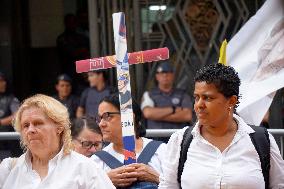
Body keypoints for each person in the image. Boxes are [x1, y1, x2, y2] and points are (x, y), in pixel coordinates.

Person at [158, 64, 284, 189]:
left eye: (208, 98)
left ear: (231, 101)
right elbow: (167, 186)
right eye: (196, 98)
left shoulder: (261, 140)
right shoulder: (180, 141)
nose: (199, 105)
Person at [0, 94, 115, 189]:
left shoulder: (85, 168)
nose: (30, 130)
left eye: (38, 123)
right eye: (25, 125)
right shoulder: (8, 170)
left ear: (59, 127)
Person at [91, 94, 166, 188]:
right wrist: (104, 181)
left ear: (129, 117)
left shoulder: (161, 151)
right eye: (100, 118)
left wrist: (157, 178)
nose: (101, 124)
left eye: (107, 116)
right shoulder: (97, 161)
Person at [141, 61, 193, 130]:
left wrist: (156, 115)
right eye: (162, 73)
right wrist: (173, 109)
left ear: (173, 75)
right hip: (155, 138)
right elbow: (147, 113)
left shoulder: (183, 95)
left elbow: (187, 115)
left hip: (178, 138)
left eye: (168, 73)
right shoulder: (148, 94)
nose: (165, 75)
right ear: (157, 76)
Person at [0, 71, 21, 159]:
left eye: (4, 81)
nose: (3, 83)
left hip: (6, 143)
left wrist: (0, 122)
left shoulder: (11, 98)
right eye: (0, 81)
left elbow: (17, 115)